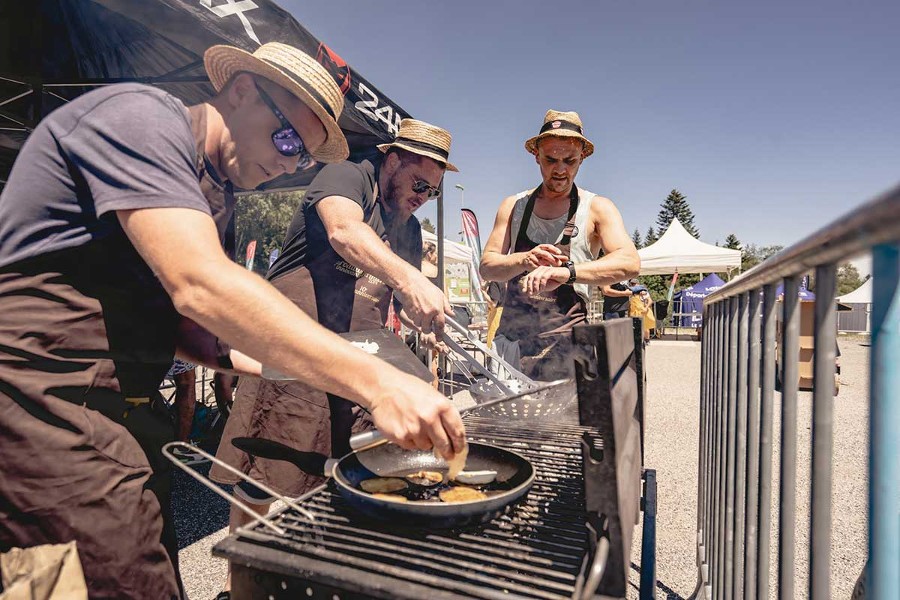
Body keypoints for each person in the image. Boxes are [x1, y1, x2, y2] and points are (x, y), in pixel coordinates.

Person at [0, 42, 465, 600]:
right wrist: (376, 381)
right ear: (242, 90)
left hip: (119, 417)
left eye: (302, 158)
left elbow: (181, 324)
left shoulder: (213, 191)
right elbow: (198, 284)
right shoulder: (139, 117)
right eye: (289, 140)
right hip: (41, 405)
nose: (290, 164)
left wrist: (261, 363)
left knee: (126, 573)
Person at [210, 118, 458, 595]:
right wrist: (411, 280)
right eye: (419, 183)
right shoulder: (348, 174)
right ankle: (239, 584)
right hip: (296, 347)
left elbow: (398, 295)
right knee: (265, 470)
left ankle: (322, 577)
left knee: (341, 476)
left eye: (434, 191)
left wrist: (426, 325)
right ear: (392, 161)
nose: (423, 196)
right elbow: (345, 231)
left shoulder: (406, 223)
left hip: (358, 362)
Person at [479, 110, 640, 380]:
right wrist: (523, 259)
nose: (561, 170)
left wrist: (568, 273)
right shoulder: (513, 206)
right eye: (551, 160)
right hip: (514, 343)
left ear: (583, 158)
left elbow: (629, 263)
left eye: (570, 161)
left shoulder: (597, 208)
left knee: (566, 422)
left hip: (569, 347)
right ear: (536, 156)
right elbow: (487, 267)